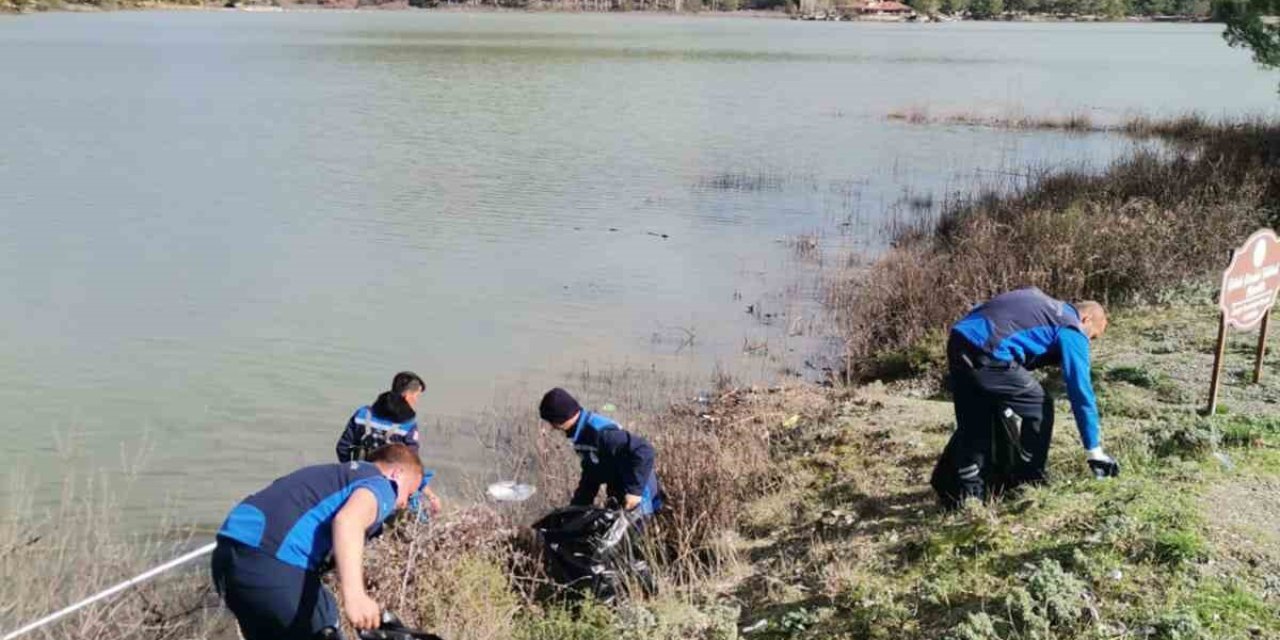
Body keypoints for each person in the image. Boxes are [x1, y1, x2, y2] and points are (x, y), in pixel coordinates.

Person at [931, 287, 1121, 510]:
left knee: (975, 422)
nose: (1088, 342)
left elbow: (988, 311)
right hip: (989, 352)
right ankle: (1029, 479)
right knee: (1040, 405)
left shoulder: (1038, 300)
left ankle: (963, 495)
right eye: (1093, 336)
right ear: (1086, 318)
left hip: (960, 340)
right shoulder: (1071, 326)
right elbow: (1080, 390)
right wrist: (1094, 450)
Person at [211, 444, 425, 639]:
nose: (405, 504)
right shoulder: (381, 485)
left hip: (227, 559)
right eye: (409, 493)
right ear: (398, 473)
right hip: (274, 560)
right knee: (324, 625)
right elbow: (348, 522)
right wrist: (356, 596)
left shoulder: (332, 475)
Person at [538, 387, 663, 516]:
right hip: (618, 490)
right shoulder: (579, 433)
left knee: (635, 535)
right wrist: (576, 509)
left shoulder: (601, 434)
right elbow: (592, 473)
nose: (552, 427)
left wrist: (634, 492)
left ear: (560, 419)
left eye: (551, 422)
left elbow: (644, 450)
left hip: (640, 494)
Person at [336, 371, 440, 516]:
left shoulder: (362, 414)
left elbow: (343, 447)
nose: (416, 401)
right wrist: (431, 496)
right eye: (417, 396)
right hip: (388, 491)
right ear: (407, 396)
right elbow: (411, 468)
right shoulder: (407, 426)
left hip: (354, 479)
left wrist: (353, 470)